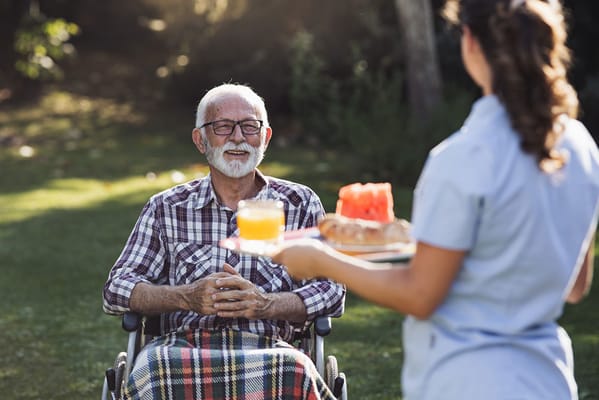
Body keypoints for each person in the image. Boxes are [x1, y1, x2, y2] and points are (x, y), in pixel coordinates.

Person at [272, 0, 599, 399]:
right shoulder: (581, 146)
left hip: (468, 381)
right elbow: (575, 284)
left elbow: (420, 295)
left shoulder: (463, 157)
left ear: (471, 41)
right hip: (548, 379)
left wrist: (321, 260)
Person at [103, 83, 345, 399]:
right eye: (223, 126)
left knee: (296, 371)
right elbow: (116, 288)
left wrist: (267, 305)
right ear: (200, 140)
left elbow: (332, 290)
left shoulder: (299, 203)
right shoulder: (167, 207)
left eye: (249, 126)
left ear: (266, 137)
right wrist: (185, 297)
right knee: (152, 369)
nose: (238, 137)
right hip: (181, 347)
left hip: (271, 349)